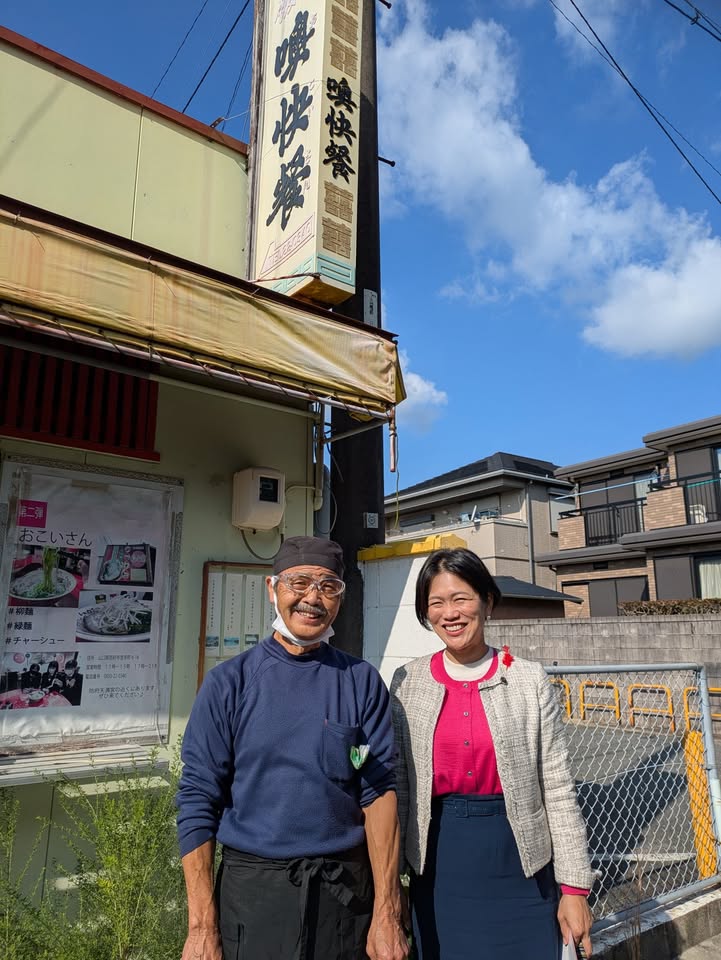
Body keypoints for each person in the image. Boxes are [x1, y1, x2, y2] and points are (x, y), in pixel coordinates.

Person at [176, 536, 409, 960]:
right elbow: (197, 798)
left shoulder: (360, 682)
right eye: (299, 583)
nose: (312, 598)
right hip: (253, 894)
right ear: (272, 589)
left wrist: (387, 912)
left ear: (340, 598)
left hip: (345, 895)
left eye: (328, 586)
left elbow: (377, 792)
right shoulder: (230, 683)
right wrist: (201, 927)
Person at [391, 548, 594, 960]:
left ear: (487, 601)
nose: (450, 613)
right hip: (439, 862)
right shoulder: (407, 681)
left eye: (461, 598)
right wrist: (392, 882)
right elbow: (400, 786)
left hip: (522, 862)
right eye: (436, 602)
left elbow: (557, 788)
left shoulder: (528, 679)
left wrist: (574, 888)